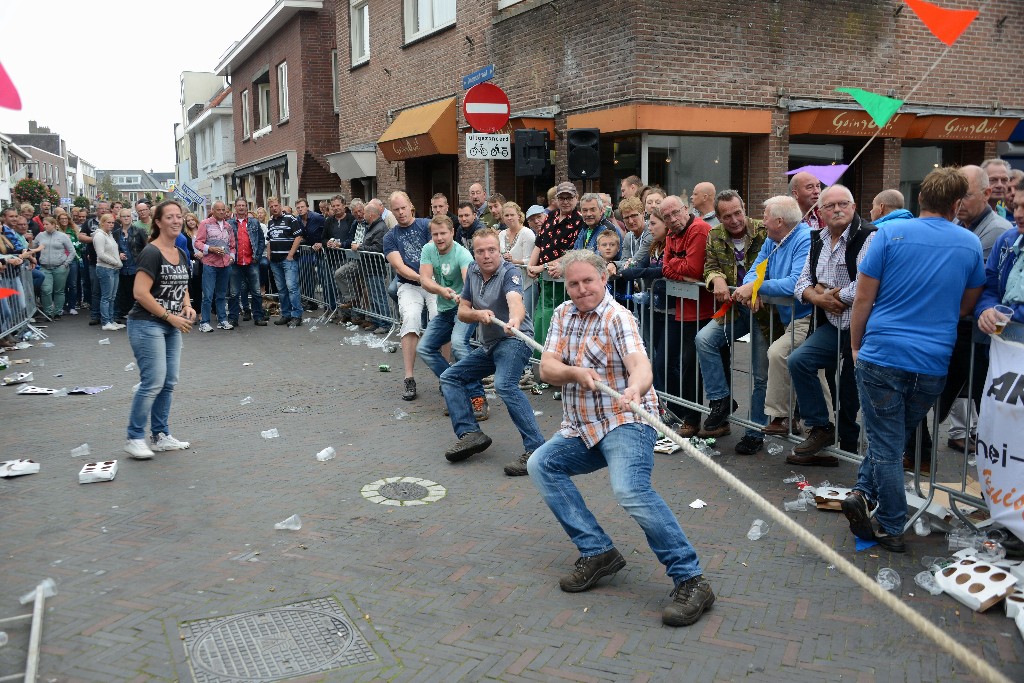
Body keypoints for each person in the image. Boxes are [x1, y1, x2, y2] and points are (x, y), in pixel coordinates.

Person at [527, 249, 714, 627]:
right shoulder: (563, 315)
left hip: (625, 421)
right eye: (574, 283)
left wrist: (635, 388)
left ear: (603, 279)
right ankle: (598, 552)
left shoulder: (619, 316)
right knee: (541, 464)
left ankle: (691, 579)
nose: (581, 290)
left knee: (629, 489)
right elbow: (547, 367)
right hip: (582, 428)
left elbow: (640, 366)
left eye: (588, 282)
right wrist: (575, 373)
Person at [844, 167, 985, 552]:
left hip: (883, 352)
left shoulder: (887, 233)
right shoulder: (969, 243)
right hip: (932, 360)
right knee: (895, 436)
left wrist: (856, 344)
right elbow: (967, 305)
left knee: (887, 443)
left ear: (921, 199)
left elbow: (862, 298)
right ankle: (862, 493)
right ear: (956, 204)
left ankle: (890, 524)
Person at [439, 227, 546, 474]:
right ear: (474, 254)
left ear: (499, 251)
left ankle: (536, 449)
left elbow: (515, 302)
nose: (486, 255)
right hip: (490, 344)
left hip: (514, 340)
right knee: (450, 377)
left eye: (491, 250)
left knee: (504, 385)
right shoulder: (474, 273)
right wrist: (478, 314)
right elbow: (463, 312)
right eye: (480, 251)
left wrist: (515, 321)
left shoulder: (510, 273)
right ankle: (470, 434)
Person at [787, 184, 874, 465]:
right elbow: (802, 283)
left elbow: (865, 283)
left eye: (843, 204)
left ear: (853, 206)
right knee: (799, 360)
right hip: (832, 323)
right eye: (830, 206)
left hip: (862, 329)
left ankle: (847, 450)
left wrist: (831, 294)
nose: (838, 209)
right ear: (820, 212)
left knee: (849, 392)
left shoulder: (869, 237)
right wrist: (819, 298)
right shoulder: (817, 239)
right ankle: (821, 428)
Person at [694, 191, 767, 449]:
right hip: (735, 310)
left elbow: (772, 266)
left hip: (763, 311)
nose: (734, 220)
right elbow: (710, 265)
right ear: (719, 217)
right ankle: (721, 400)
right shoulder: (715, 235)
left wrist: (757, 288)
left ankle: (755, 432)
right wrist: (717, 278)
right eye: (727, 216)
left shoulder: (763, 230)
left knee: (760, 374)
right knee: (704, 339)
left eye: (737, 213)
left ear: (744, 207)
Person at [124, 200, 196, 460]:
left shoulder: (182, 252)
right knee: (153, 381)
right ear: (158, 222)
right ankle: (134, 437)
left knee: (168, 382)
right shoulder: (151, 252)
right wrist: (170, 316)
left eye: (179, 216)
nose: (176, 221)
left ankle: (160, 435)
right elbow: (140, 293)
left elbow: (183, 284)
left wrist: (187, 306)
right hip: (146, 324)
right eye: (170, 217)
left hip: (170, 325)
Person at [415, 215, 487, 419]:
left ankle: (478, 398)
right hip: (445, 310)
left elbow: (469, 282)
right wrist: (442, 290)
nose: (439, 238)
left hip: (463, 310)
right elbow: (425, 280)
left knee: (458, 345)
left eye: (443, 233)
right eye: (435, 234)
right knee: (425, 348)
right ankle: (456, 386)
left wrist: (462, 296)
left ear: (452, 233)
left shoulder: (462, 254)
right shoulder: (428, 249)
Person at [659, 194, 715, 436]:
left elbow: (695, 268)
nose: (672, 219)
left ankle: (700, 418)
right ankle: (694, 416)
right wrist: (678, 267)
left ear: (686, 209)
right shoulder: (672, 234)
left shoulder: (699, 229)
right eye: (667, 217)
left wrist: (675, 263)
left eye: (675, 213)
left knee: (697, 366)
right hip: (685, 309)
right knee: (685, 365)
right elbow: (664, 268)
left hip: (705, 309)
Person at [384, 191, 435, 400]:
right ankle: (409, 377)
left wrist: (429, 280)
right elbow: (399, 266)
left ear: (410, 206)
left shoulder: (426, 225)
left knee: (440, 318)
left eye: (403, 208)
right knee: (411, 319)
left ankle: (445, 376)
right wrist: (421, 278)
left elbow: (437, 251)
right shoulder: (390, 236)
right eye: (396, 210)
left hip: (434, 282)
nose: (400, 212)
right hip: (409, 285)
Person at [976, 175, 1024, 341]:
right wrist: (986, 310)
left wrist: (1012, 315)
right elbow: (989, 287)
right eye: (1016, 206)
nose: (1018, 214)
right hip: (1002, 352)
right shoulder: (1006, 240)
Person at [194, 201, 236, 332]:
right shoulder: (205, 224)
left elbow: (233, 245)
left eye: (224, 210)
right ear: (213, 210)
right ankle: (204, 322)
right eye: (219, 210)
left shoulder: (228, 226)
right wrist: (210, 248)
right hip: (210, 263)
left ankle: (222, 320)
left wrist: (232, 257)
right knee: (208, 294)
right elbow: (198, 242)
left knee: (222, 294)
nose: (222, 212)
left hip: (225, 264)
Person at [228, 197, 267, 326]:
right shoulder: (229, 224)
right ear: (235, 207)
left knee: (256, 291)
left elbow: (261, 240)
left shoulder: (254, 223)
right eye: (238, 205)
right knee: (234, 292)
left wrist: (258, 255)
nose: (241, 207)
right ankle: (233, 318)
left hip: (252, 261)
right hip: (236, 263)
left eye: (243, 205)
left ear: (246, 207)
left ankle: (258, 317)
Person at [265, 196, 304, 327]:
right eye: (271, 207)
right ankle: (286, 314)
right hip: (275, 261)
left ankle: (297, 315)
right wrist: (269, 256)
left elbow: (298, 237)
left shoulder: (291, 219)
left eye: (276, 205)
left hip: (288, 260)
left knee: (292, 287)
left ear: (280, 205)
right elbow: (270, 240)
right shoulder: (270, 222)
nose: (274, 208)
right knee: (281, 289)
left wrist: (290, 255)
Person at [34, 216, 76, 319]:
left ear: (53, 225)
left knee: (59, 290)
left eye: (47, 224)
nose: (45, 226)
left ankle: (57, 312)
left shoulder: (62, 236)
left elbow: (72, 251)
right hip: (45, 267)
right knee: (46, 289)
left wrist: (66, 263)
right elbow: (33, 248)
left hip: (60, 267)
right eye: (44, 224)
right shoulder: (40, 235)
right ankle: (48, 312)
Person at [93, 212, 124, 331]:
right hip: (105, 269)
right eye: (108, 222)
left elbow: (111, 251)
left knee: (112, 296)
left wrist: (118, 257)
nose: (111, 225)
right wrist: (116, 262)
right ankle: (106, 322)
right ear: (102, 223)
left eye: (112, 223)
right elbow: (100, 254)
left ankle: (111, 320)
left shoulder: (109, 234)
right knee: (106, 297)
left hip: (114, 268)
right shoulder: (100, 235)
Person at [498, 202, 536, 267]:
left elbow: (530, 260)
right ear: (503, 218)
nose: (509, 218)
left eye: (512, 215)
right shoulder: (501, 234)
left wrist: (513, 261)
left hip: (523, 273)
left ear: (518, 216)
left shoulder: (527, 233)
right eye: (506, 215)